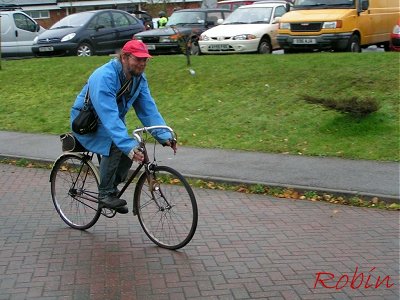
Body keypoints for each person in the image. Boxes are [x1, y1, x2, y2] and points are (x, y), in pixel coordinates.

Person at [70, 39, 176, 214]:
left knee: (132, 147)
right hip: (88, 123)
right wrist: (126, 145)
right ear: (124, 57)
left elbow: (148, 109)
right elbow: (108, 115)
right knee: (117, 145)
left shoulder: (138, 79)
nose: (142, 64)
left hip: (111, 122)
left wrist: (164, 136)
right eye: (138, 59)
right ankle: (105, 194)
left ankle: (111, 187)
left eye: (145, 60)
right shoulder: (105, 76)